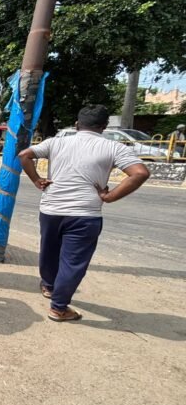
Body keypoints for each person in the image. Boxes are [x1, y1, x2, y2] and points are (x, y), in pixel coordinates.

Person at [18, 105, 150, 322]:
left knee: (49, 251)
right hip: (85, 213)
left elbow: (25, 155)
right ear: (104, 126)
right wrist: (110, 196)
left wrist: (36, 179)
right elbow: (140, 173)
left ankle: (50, 287)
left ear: (77, 125)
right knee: (73, 261)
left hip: (51, 209)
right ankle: (59, 308)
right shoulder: (113, 147)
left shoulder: (56, 142)